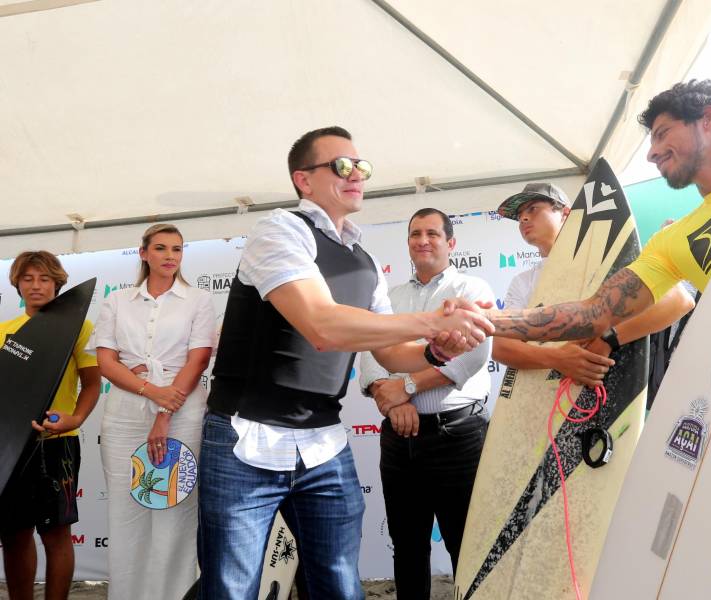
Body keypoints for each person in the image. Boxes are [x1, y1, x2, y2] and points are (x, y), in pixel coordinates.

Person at [197, 126, 493, 600]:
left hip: (323, 445)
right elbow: (323, 326)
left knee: (339, 586)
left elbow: (392, 354)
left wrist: (439, 349)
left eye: (361, 166)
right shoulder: (280, 229)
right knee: (231, 590)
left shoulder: (365, 260)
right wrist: (433, 322)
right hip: (247, 440)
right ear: (303, 179)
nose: (356, 174)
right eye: (341, 166)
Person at [474, 80, 711, 346]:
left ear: (707, 119)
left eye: (662, 133)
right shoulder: (670, 242)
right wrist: (483, 318)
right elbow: (594, 314)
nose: (651, 153)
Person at [359, 208, 494, 599]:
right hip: (400, 440)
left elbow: (471, 356)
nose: (423, 240)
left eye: (432, 233)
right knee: (407, 546)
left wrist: (408, 385)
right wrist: (392, 401)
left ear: (451, 242)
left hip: (459, 437)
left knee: (466, 546)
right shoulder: (390, 298)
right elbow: (372, 353)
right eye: (415, 233)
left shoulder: (471, 289)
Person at [95, 223, 216, 600]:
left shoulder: (198, 300)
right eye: (161, 248)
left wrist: (164, 411)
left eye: (177, 249)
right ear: (143, 253)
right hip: (124, 414)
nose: (170, 256)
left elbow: (198, 361)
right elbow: (105, 362)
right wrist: (149, 389)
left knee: (174, 511)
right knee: (125, 511)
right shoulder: (117, 301)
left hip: (182, 411)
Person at [493, 183, 695, 384]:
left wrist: (607, 340)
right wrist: (559, 359)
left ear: (565, 214)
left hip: (613, 385)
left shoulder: (607, 259)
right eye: (519, 215)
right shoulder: (522, 282)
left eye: (532, 209)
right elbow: (500, 346)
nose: (523, 218)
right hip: (551, 396)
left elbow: (677, 300)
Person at [0, 251, 100, 600]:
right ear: (17, 284)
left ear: (58, 283)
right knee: (14, 534)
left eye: (44, 279)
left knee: (56, 534)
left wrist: (76, 419)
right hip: (12, 445)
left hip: (58, 445)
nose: (36, 286)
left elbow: (92, 384)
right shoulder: (5, 331)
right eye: (27, 279)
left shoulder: (80, 327)